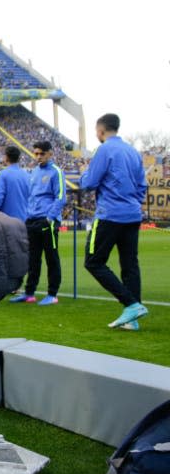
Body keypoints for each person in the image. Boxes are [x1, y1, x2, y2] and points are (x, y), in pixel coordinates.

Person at [79, 113, 149, 330]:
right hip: (132, 215)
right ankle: (133, 319)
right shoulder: (133, 152)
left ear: (100, 131)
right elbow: (142, 186)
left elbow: (89, 183)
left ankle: (131, 304)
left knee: (93, 262)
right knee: (130, 265)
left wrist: (83, 173)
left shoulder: (104, 149)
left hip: (109, 214)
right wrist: (131, 202)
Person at [10, 141, 66, 306]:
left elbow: (61, 197)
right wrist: (28, 215)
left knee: (51, 258)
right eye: (36, 153)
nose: (38, 157)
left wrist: (49, 218)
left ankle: (52, 294)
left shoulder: (56, 172)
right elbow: (31, 197)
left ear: (50, 154)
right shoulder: (33, 172)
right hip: (32, 219)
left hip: (47, 221)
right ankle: (29, 293)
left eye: (42, 153)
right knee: (32, 258)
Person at [0, 146, 30, 223]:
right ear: (19, 158)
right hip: (24, 220)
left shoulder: (3, 174)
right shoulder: (27, 175)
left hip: (7, 221)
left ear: (6, 157)